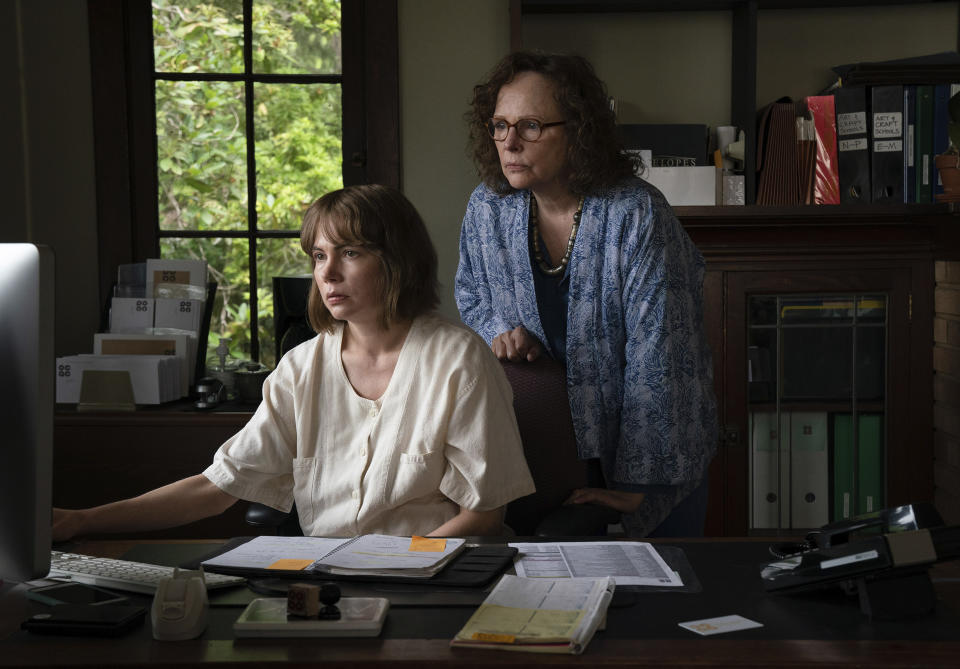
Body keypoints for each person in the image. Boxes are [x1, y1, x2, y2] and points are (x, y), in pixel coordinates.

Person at [53, 184, 535, 541]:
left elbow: (484, 516)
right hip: (329, 585)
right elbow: (217, 487)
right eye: (318, 255)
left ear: (398, 261)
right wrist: (82, 521)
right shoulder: (300, 369)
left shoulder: (460, 361)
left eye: (350, 253)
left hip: (432, 580)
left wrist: (391, 567)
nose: (327, 273)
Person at [456, 51, 718, 537]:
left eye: (531, 125)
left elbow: (661, 358)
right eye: (499, 124)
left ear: (577, 131)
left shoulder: (637, 215)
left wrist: (637, 487)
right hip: (548, 456)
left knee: (654, 606)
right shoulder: (487, 208)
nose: (509, 142)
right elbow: (471, 295)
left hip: (647, 460)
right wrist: (500, 332)